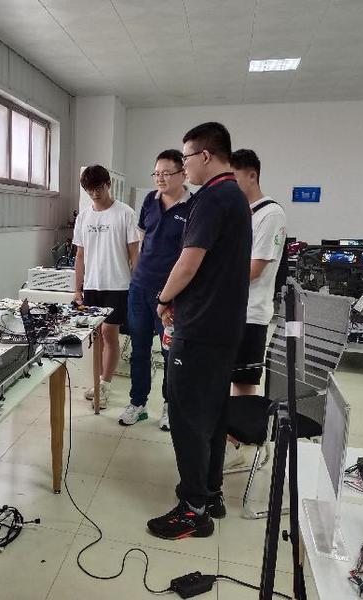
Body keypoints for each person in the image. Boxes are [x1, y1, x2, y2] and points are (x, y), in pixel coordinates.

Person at [147, 122, 251, 540]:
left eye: (186, 157)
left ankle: (193, 510)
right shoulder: (235, 196)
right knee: (213, 413)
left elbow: (188, 263)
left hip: (200, 328)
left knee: (188, 417)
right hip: (223, 327)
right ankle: (210, 493)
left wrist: (163, 298)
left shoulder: (210, 198)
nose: (183, 166)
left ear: (205, 155)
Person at [119, 150, 193, 431]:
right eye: (156, 173)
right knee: (139, 349)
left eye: (166, 173)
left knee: (170, 353)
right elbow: (142, 241)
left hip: (171, 294)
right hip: (140, 289)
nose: (160, 178)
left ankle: (169, 406)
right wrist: (136, 276)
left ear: (183, 174)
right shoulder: (150, 200)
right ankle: (137, 403)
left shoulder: (193, 207)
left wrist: (171, 295)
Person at [225, 149, 287, 468]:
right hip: (229, 310)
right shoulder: (241, 211)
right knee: (228, 376)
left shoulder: (270, 214)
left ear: (252, 175)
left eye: (234, 178)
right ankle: (231, 437)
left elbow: (255, 267)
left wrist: (214, 281)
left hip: (251, 312)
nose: (230, 186)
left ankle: (243, 443)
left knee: (244, 379)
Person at [73, 165, 140, 409]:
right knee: (96, 337)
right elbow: (80, 255)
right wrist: (77, 288)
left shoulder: (125, 213)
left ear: (108, 184)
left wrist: (137, 285)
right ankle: (98, 380)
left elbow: (135, 254)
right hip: (92, 285)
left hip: (118, 285)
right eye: (89, 190)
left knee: (109, 333)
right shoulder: (83, 217)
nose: (94, 194)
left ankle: (106, 384)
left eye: (98, 188)